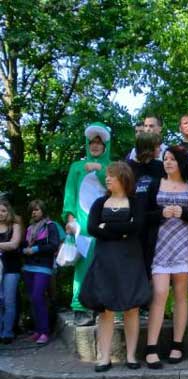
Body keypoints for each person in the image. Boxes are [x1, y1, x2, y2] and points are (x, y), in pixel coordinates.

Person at [79, 162, 151, 372]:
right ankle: (104, 357)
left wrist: (107, 227)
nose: (107, 179)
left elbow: (137, 226)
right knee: (106, 309)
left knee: (132, 307)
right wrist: (122, 231)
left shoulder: (135, 202)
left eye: (112, 175)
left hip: (130, 259)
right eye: (107, 176)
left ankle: (131, 356)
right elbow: (92, 228)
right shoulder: (99, 203)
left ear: (124, 178)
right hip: (105, 260)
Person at [145, 146, 188, 369]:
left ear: (181, 163)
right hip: (159, 245)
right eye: (165, 158)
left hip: (184, 245)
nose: (167, 162)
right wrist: (161, 213)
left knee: (180, 295)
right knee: (159, 293)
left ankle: (177, 345)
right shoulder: (154, 184)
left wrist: (183, 213)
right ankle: (151, 348)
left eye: (172, 159)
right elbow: (144, 215)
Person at [62, 122, 112, 327]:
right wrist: (70, 219)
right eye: (92, 142)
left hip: (107, 224)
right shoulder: (76, 167)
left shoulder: (112, 167)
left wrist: (100, 169)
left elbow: (118, 187)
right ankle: (80, 308)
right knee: (82, 266)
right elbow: (70, 194)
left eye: (99, 143)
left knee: (107, 265)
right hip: (82, 226)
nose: (95, 146)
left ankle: (106, 306)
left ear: (105, 146)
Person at [22, 200, 60, 345]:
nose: (34, 212)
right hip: (28, 267)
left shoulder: (51, 225)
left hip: (43, 267)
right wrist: (23, 250)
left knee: (38, 297)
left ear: (43, 210)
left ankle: (44, 332)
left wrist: (36, 249)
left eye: (37, 209)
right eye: (32, 210)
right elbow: (23, 245)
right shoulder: (30, 228)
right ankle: (38, 330)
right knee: (33, 299)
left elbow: (54, 245)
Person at [0, 200, 22, 344]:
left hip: (11, 268)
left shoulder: (15, 226)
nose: (1, 214)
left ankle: (7, 333)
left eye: (3, 211)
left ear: (9, 212)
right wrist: (4, 245)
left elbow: (14, 244)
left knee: (9, 301)